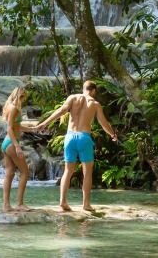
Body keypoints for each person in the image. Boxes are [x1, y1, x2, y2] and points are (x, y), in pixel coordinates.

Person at [37, 80, 117, 212]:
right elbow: (104, 124)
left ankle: (63, 202)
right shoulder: (95, 104)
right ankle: (86, 204)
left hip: (69, 137)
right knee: (87, 172)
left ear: (83, 89)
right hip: (84, 138)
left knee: (68, 171)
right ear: (93, 91)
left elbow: (61, 111)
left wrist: (44, 123)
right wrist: (113, 135)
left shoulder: (72, 98)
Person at [0, 86, 39, 212]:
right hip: (11, 143)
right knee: (25, 172)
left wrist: (32, 129)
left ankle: (6, 205)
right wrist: (17, 146)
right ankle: (20, 204)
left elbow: (18, 126)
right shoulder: (14, 109)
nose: (23, 99)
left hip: (6, 143)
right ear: (17, 95)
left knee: (10, 173)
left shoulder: (9, 107)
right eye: (22, 97)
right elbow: (9, 129)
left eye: (24, 97)